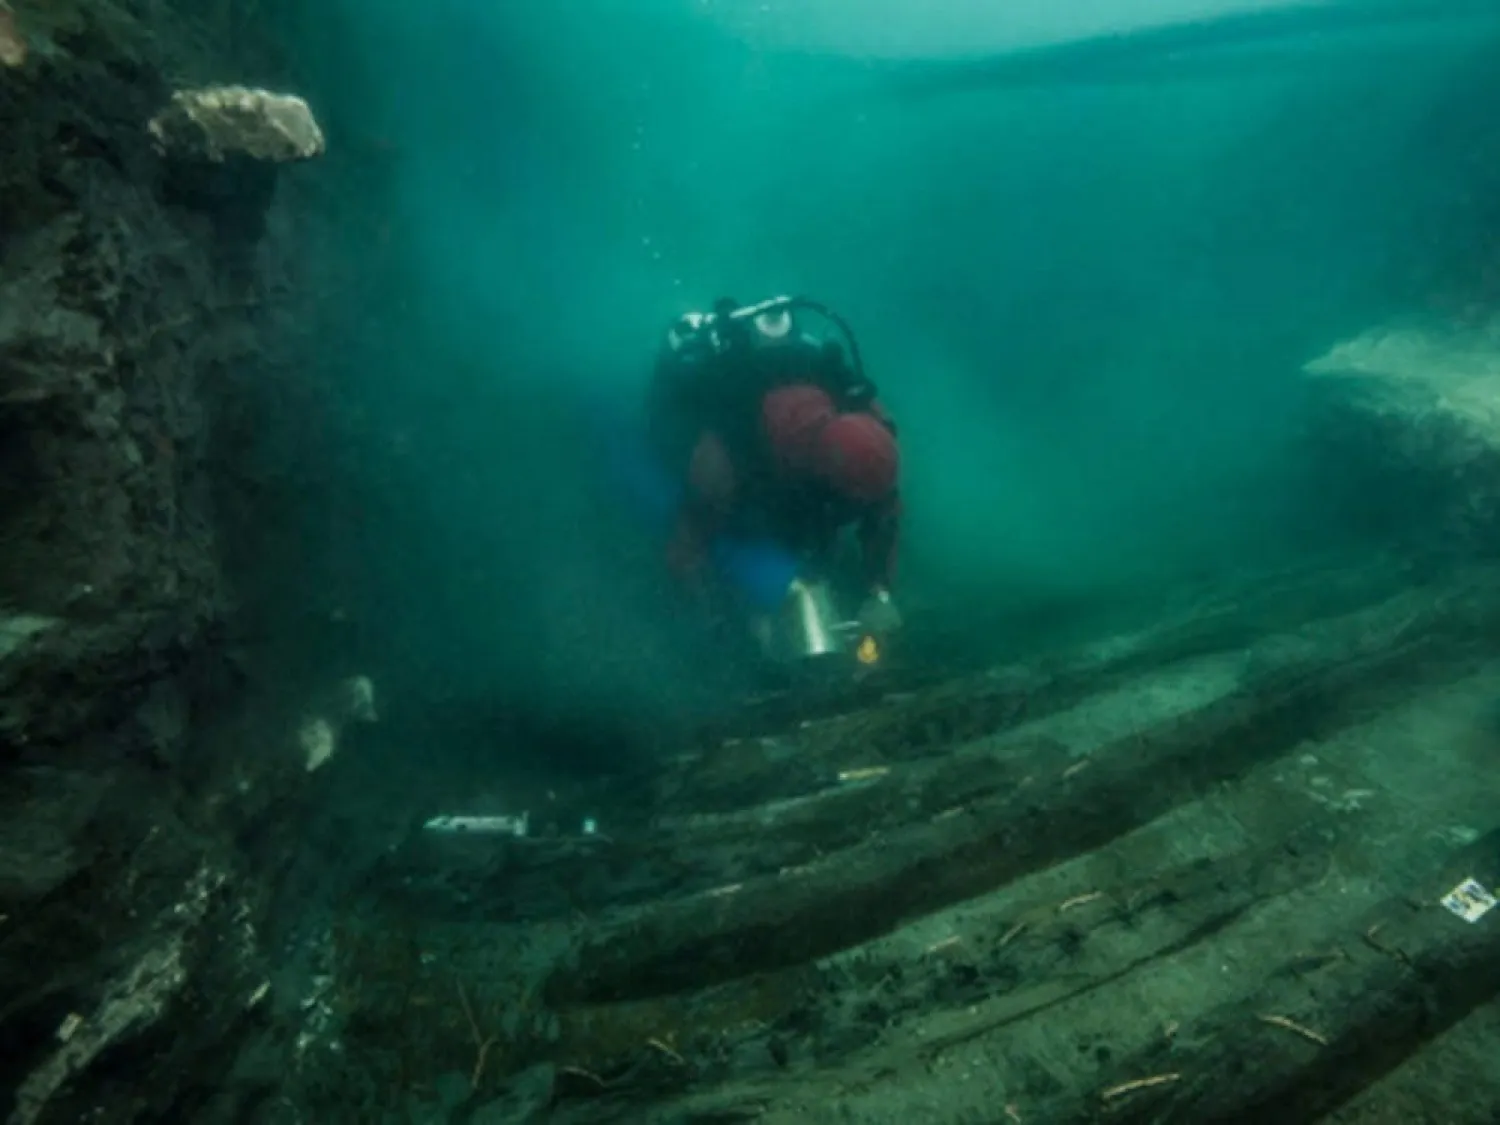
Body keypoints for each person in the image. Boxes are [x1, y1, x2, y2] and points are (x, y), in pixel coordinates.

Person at [645, 295, 904, 639]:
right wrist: (714, 618)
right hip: (747, 489)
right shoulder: (726, 458)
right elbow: (687, 545)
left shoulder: (867, 429)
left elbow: (884, 510)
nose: (861, 507)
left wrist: (879, 592)